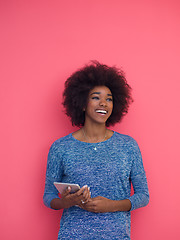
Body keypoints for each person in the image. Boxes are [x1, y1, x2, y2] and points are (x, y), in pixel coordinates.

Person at [43, 61, 149, 239]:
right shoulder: (61, 147)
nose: (104, 103)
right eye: (95, 97)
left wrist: (112, 205)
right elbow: (48, 196)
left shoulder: (128, 145)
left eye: (109, 99)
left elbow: (143, 195)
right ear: (82, 103)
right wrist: (65, 202)